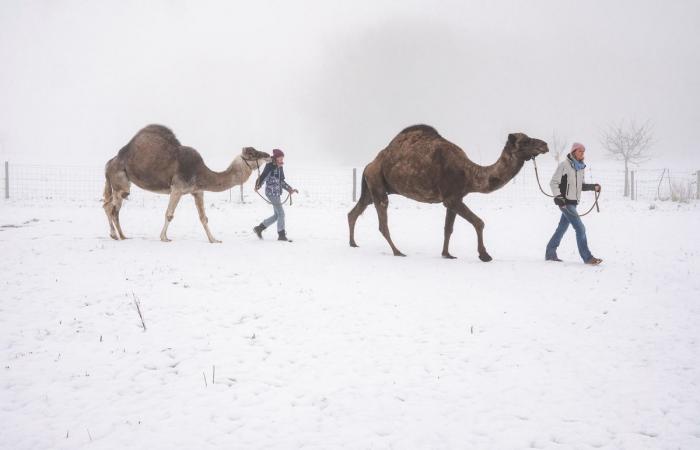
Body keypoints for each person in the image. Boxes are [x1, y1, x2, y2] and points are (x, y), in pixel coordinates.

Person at [545, 142, 603, 265]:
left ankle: (550, 253)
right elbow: (553, 183)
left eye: (583, 152)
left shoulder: (580, 167)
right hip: (565, 203)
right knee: (580, 228)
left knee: (562, 228)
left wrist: (594, 187)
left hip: (574, 203)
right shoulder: (564, 165)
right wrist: (558, 197)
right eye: (580, 151)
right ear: (574, 152)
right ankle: (587, 258)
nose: (582, 153)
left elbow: (581, 186)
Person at [253, 149, 298, 241]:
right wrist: (258, 185)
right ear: (276, 158)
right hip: (271, 193)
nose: (282, 160)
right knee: (281, 214)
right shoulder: (270, 166)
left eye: (282, 158)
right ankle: (281, 234)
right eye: (280, 158)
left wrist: (289, 189)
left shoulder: (280, 167)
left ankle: (259, 228)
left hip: (277, 193)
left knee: (277, 215)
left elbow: (281, 181)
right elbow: (263, 176)